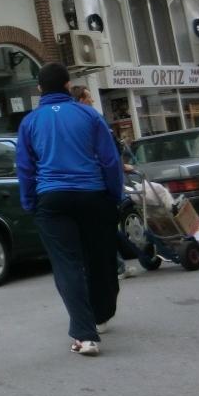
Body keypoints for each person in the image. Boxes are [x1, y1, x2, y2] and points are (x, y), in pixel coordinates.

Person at [17, 63, 124, 357]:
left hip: (52, 199)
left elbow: (25, 168)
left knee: (67, 265)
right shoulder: (89, 115)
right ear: (67, 85)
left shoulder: (30, 122)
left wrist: (29, 202)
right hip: (93, 195)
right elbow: (109, 160)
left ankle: (84, 336)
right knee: (100, 258)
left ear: (40, 89)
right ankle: (101, 315)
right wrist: (114, 194)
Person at [72, 85, 141, 280]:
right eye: (88, 97)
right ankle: (119, 265)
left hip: (85, 184)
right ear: (81, 100)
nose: (92, 100)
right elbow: (108, 153)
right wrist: (116, 178)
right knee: (105, 226)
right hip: (98, 183)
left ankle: (115, 265)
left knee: (98, 228)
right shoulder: (93, 120)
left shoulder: (76, 123)